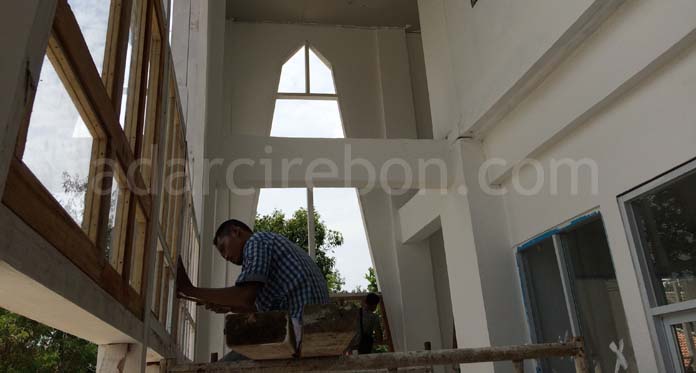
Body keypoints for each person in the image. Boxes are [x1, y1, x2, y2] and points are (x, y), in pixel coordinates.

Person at [176, 219, 330, 360]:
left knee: (222, 368)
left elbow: (244, 296)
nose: (225, 256)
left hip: (299, 329)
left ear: (236, 232)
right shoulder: (270, 244)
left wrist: (190, 290)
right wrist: (229, 306)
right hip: (312, 325)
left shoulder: (256, 242)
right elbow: (256, 307)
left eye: (223, 248)